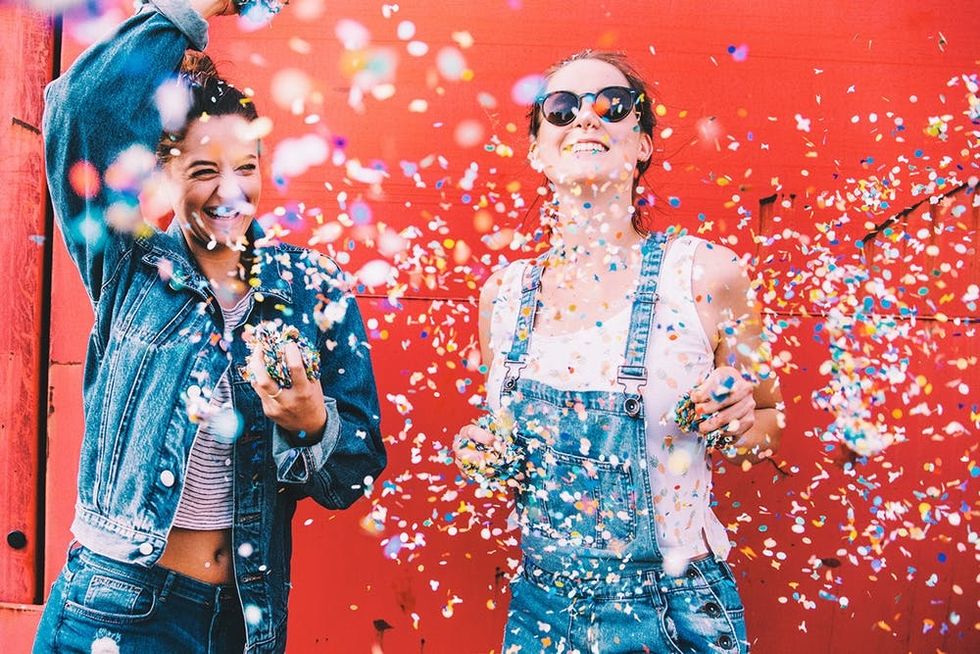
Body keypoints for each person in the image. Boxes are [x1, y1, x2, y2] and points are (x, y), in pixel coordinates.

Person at [33, 1, 385, 651]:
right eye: (202, 169)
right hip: (117, 611)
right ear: (164, 172)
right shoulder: (131, 267)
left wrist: (312, 424)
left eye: (244, 166)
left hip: (244, 621)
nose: (229, 191)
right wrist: (191, 8)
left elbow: (355, 471)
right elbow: (78, 110)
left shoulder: (312, 287)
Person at [454, 51, 783, 653]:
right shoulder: (503, 295)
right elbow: (510, 448)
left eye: (612, 105)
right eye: (561, 109)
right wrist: (486, 452)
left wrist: (739, 420)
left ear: (643, 144)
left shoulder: (706, 275)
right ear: (537, 150)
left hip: (674, 613)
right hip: (539, 613)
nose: (586, 118)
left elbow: (768, 421)